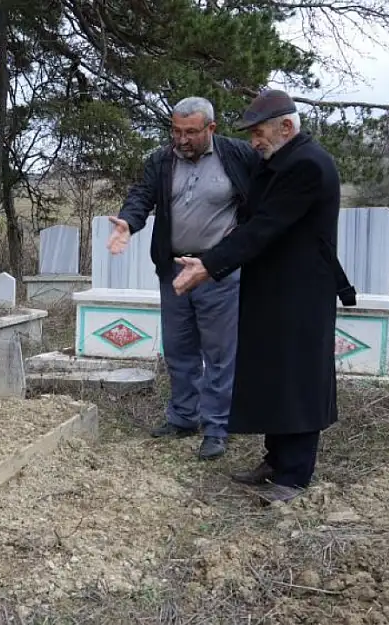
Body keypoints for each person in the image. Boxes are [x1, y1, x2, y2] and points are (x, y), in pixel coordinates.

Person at [172, 89, 357, 504]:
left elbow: (265, 227)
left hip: (301, 292)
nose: (253, 142)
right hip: (276, 288)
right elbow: (251, 222)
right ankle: (275, 460)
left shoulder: (307, 165)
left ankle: (294, 477)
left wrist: (208, 265)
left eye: (258, 133)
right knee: (275, 375)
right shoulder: (281, 161)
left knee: (297, 380)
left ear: (286, 127)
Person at [108, 96, 259, 460]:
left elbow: (263, 200)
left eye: (190, 132)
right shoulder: (161, 160)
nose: (181, 139)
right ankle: (183, 417)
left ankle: (217, 427)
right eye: (175, 131)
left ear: (211, 129)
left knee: (220, 353)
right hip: (174, 269)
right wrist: (128, 222)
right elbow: (142, 196)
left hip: (217, 270)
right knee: (179, 349)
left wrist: (243, 241)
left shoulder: (237, 156)